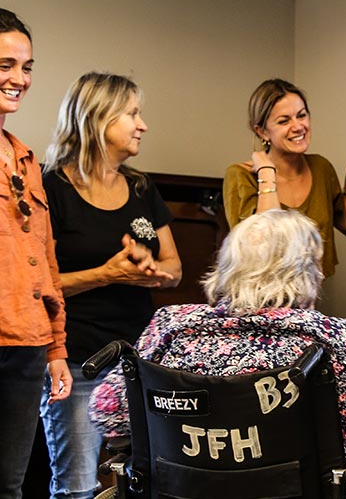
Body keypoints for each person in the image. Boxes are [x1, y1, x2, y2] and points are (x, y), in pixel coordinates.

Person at [88, 209, 346, 490]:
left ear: (226, 267)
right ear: (308, 272)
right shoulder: (335, 341)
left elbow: (107, 415)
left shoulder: (169, 328)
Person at [41, 72, 182, 499]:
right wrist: (106, 273)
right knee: (78, 487)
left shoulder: (141, 187)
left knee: (147, 483)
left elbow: (175, 269)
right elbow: (39, 284)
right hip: (76, 361)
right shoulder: (52, 188)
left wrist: (151, 269)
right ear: (99, 120)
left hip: (138, 364)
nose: (143, 125)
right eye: (132, 114)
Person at [0, 10, 73, 499]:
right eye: (5, 64)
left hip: (26, 344)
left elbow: (45, 261)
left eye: (26, 67)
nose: (18, 79)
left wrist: (55, 348)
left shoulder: (27, 160)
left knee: (8, 486)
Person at [222, 78, 346, 278]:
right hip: (258, 301)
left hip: (308, 300)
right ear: (262, 131)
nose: (298, 127)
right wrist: (267, 172)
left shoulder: (321, 167)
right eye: (284, 121)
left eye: (301, 115)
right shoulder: (239, 175)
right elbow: (264, 246)